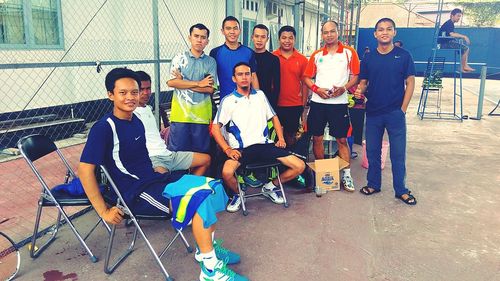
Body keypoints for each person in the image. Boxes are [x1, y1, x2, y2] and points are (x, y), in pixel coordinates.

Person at [78, 68, 248, 280]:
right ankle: (210, 270)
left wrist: (159, 171)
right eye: (123, 93)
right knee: (199, 198)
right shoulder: (104, 128)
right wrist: (103, 210)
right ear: (110, 95)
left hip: (155, 180)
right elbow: (85, 169)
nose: (130, 97)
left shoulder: (136, 121)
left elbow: (141, 159)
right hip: (135, 193)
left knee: (212, 187)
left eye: (134, 92)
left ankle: (206, 249)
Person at [211, 62, 306, 213]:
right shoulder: (228, 101)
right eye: (240, 74)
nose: (244, 77)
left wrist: (280, 138)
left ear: (251, 76)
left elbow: (274, 116)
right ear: (234, 79)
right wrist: (227, 149)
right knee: (227, 173)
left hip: (265, 145)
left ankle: (270, 187)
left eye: (247, 74)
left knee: (299, 166)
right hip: (242, 149)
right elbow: (215, 127)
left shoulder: (260, 95)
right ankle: (238, 194)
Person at [354, 18, 417, 205]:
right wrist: (360, 90)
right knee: (372, 152)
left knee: (398, 154)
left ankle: (401, 190)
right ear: (375, 34)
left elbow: (411, 81)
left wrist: (403, 109)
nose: (384, 32)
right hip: (373, 112)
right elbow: (364, 82)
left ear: (394, 32)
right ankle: (373, 184)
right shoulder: (368, 57)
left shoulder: (404, 56)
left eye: (389, 29)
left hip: (395, 113)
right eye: (381, 29)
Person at [303, 20, 360, 192]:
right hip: (318, 104)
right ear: (322, 35)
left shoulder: (349, 53)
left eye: (332, 31)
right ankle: (322, 175)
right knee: (317, 138)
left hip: (339, 104)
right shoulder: (317, 55)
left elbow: (356, 76)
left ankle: (347, 175)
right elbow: (306, 77)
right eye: (325, 32)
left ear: (338, 32)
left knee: (342, 140)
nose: (329, 35)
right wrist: (316, 89)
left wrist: (344, 88)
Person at [134, 70, 210, 176]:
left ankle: (187, 188)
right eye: (141, 89)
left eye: (148, 88)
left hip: (168, 154)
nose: (146, 93)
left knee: (206, 160)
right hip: (153, 159)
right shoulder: (132, 114)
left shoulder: (147, 108)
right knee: (167, 184)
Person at [166, 23, 217, 154]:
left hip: (201, 116)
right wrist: (199, 83)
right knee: (177, 155)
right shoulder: (179, 58)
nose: (199, 40)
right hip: (180, 115)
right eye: (196, 36)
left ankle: (198, 176)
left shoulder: (210, 62)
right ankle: (179, 176)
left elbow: (210, 90)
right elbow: (171, 83)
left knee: (201, 155)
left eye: (203, 37)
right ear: (190, 37)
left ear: (207, 41)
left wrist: (183, 82)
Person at [272, 25, 308, 146]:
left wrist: (303, 106)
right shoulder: (272, 57)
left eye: (290, 38)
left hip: (294, 105)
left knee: (291, 135)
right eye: (284, 38)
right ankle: (276, 164)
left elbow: (305, 84)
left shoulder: (302, 59)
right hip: (274, 104)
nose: (287, 41)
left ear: (295, 40)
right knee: (275, 136)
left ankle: (290, 163)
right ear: (279, 39)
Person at [210, 16, 259, 100]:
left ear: (240, 31)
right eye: (228, 28)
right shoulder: (215, 53)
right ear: (222, 31)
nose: (232, 32)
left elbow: (253, 77)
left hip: (246, 100)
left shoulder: (249, 52)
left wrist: (257, 99)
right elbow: (210, 79)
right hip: (225, 100)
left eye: (235, 28)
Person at [252, 24, 280, 110]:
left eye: (263, 37)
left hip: (267, 102)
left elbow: (276, 87)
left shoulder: (273, 59)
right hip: (248, 100)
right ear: (252, 37)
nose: (259, 40)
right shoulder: (247, 56)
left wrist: (272, 106)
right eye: (257, 36)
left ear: (267, 39)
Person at [438, 8, 474, 72]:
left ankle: (463, 66)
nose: (459, 18)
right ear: (452, 16)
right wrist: (464, 37)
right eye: (458, 16)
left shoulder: (450, 23)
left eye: (460, 16)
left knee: (463, 49)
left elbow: (453, 34)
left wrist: (460, 37)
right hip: (444, 44)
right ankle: (463, 66)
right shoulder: (449, 23)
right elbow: (452, 34)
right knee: (466, 48)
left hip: (447, 43)